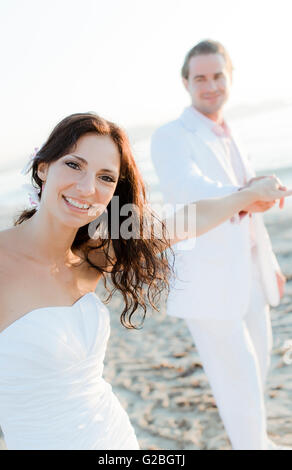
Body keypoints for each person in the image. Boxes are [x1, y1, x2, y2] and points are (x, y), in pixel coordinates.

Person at [0, 112, 290, 450]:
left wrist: (247, 195)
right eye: (74, 165)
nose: (88, 188)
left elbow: (187, 220)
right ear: (43, 167)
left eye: (105, 177)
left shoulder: (93, 256)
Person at [151, 39, 290, 450]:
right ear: (185, 82)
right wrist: (249, 193)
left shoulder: (232, 133)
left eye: (217, 76)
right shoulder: (171, 136)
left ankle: (256, 440)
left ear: (229, 79)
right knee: (238, 377)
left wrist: (270, 266)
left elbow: (247, 209)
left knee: (256, 370)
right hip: (209, 279)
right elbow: (189, 191)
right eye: (200, 78)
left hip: (250, 270)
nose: (210, 85)